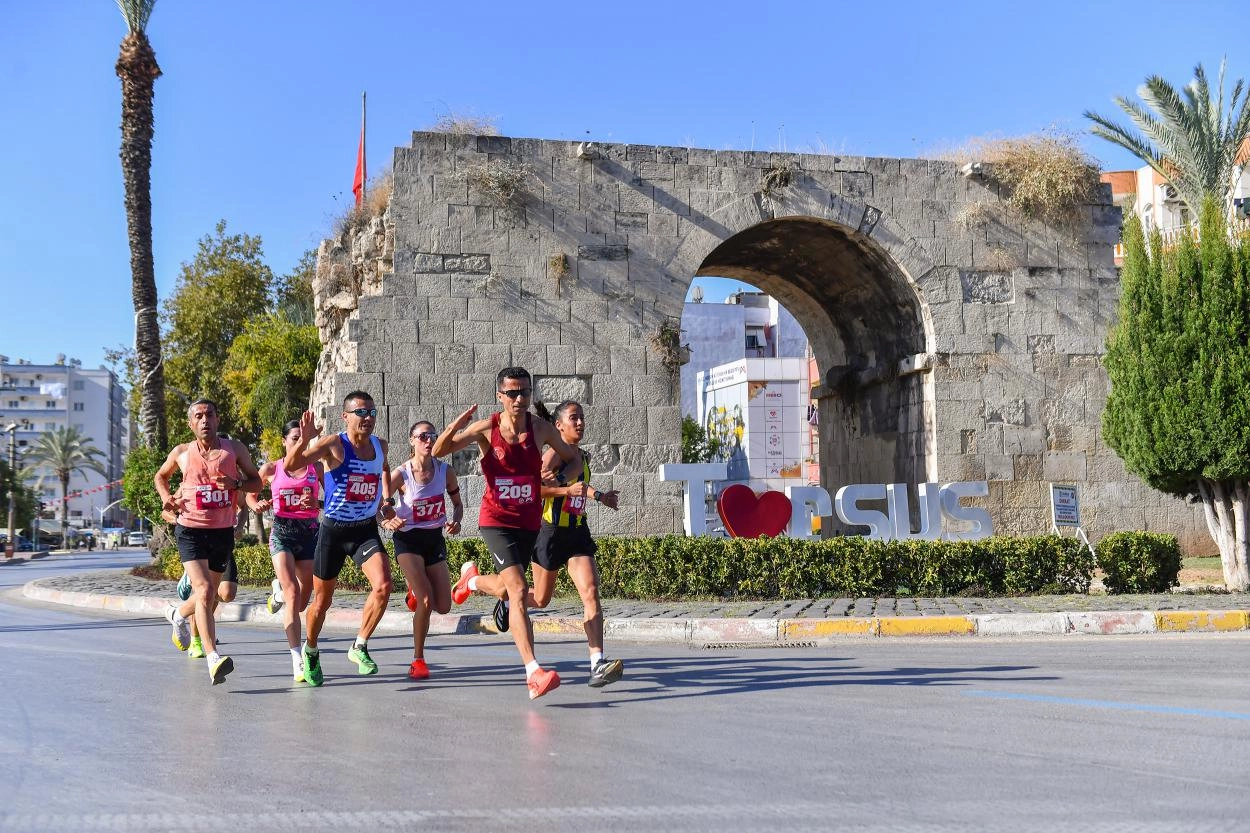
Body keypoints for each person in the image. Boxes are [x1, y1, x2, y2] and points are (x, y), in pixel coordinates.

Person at [432, 366, 579, 700]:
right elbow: (440, 450)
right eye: (512, 392)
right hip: (496, 520)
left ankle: (469, 580)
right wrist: (457, 424)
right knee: (518, 588)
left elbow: (573, 460)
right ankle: (533, 673)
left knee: (507, 589)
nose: (519, 398)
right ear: (500, 396)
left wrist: (561, 478)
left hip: (528, 523)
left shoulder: (540, 429)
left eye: (525, 392)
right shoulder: (487, 429)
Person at [284, 391, 396, 687]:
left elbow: (383, 469)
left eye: (372, 412)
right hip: (333, 530)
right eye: (360, 412)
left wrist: (386, 501)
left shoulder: (380, 446)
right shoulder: (334, 444)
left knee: (384, 586)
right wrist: (304, 439)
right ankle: (310, 649)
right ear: (345, 417)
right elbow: (290, 466)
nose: (368, 418)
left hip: (364, 530)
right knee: (322, 601)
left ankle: (359, 646)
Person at [154, 399, 261, 685]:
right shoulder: (182, 453)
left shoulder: (234, 449)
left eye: (209, 415)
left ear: (218, 419)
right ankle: (213, 657)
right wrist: (167, 500)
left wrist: (236, 485)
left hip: (222, 532)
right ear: (191, 423)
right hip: (190, 530)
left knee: (212, 594)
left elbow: (256, 483)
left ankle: (176, 614)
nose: (204, 420)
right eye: (198, 416)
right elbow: (160, 477)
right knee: (203, 591)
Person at [528, 400, 624, 688]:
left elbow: (580, 486)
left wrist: (600, 497)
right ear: (558, 426)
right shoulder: (551, 456)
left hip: (577, 532)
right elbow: (536, 491)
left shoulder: (581, 455)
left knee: (591, 591)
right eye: (574, 418)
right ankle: (490, 588)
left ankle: (597, 663)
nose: (580, 422)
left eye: (582, 417)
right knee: (541, 599)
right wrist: (563, 489)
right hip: (551, 533)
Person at [379, 420, 464, 680]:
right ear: (412, 441)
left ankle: (428, 588)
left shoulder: (445, 471)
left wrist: (457, 521)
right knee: (426, 599)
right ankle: (418, 659)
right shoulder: (401, 475)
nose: (429, 440)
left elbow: (458, 504)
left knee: (445, 606)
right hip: (408, 539)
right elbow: (380, 505)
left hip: (434, 539)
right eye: (423, 436)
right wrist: (387, 518)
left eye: (432, 436)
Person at [246, 419, 323, 683]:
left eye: (304, 438)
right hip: (282, 534)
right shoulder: (271, 468)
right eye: (294, 438)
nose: (300, 443)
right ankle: (296, 658)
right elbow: (249, 492)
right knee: (293, 593)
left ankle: (277, 592)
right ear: (284, 441)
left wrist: (318, 501)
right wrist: (256, 504)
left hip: (309, 533)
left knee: (301, 600)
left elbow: (332, 499)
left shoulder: (317, 467)